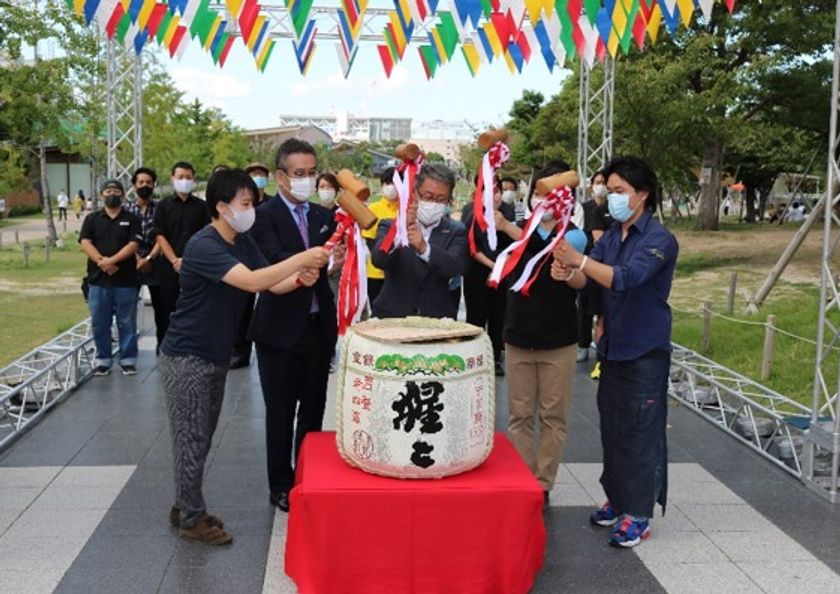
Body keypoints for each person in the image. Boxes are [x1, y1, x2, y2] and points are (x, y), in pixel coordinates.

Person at [160, 168, 329, 545]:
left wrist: (300, 278)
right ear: (221, 207)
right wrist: (303, 256)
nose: (251, 209)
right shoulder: (206, 245)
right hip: (187, 355)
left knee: (200, 436)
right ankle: (191, 517)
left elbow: (270, 282)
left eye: (251, 202)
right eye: (246, 203)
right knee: (192, 437)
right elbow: (252, 282)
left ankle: (184, 503)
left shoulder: (240, 240)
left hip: (215, 353)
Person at [552, 156, 678, 548]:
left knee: (641, 432)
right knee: (614, 429)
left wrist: (582, 261)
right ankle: (618, 498)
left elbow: (625, 279)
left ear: (642, 195)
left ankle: (638, 513)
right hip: (614, 349)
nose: (611, 197)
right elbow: (592, 284)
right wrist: (570, 274)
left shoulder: (659, 240)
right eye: (610, 190)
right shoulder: (610, 237)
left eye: (620, 191)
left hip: (645, 350)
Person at [248, 139, 338, 514]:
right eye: (298, 174)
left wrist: (334, 261)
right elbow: (274, 261)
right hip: (279, 330)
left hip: (318, 326)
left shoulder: (322, 216)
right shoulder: (263, 216)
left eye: (311, 173)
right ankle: (281, 484)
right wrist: (311, 260)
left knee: (314, 410)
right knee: (281, 411)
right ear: (281, 176)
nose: (307, 180)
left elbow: (331, 262)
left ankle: (307, 473)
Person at [502, 161, 585, 507]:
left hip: (559, 340)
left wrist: (568, 271)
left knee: (553, 415)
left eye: (549, 192)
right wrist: (506, 226)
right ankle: (523, 477)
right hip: (518, 337)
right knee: (520, 414)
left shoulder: (574, 235)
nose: (542, 199)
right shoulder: (520, 233)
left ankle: (543, 482)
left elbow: (582, 281)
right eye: (538, 192)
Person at [372, 163, 468, 319]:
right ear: (415, 193)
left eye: (441, 199)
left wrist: (424, 248)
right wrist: (399, 230)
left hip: (436, 318)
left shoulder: (456, 231)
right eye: (428, 197)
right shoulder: (390, 225)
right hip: (392, 316)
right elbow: (379, 260)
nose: (433, 203)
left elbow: (455, 267)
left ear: (450, 200)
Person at [78, 179, 142, 376]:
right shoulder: (92, 219)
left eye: (116, 190)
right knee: (100, 322)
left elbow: (133, 245)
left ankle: (128, 360)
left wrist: (112, 260)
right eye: (107, 190)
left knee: (127, 322)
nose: (111, 193)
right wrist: (102, 262)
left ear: (123, 195)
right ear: (101, 195)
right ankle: (103, 360)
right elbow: (85, 243)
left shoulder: (132, 219)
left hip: (126, 280)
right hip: (98, 280)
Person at [153, 161, 210, 347]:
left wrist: (189, 260)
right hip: (169, 266)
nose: (185, 181)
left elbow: (206, 235)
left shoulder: (203, 207)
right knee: (166, 308)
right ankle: (165, 346)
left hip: (196, 266)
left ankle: (192, 346)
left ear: (194, 179)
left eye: (188, 177)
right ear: (172, 179)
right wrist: (175, 260)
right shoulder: (162, 205)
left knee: (195, 308)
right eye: (181, 177)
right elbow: (160, 235)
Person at [462, 175, 515, 376]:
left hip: (504, 273)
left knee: (498, 316)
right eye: (489, 191)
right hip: (478, 271)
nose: (495, 196)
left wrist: (502, 267)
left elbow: (516, 241)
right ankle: (474, 357)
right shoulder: (470, 212)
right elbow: (471, 247)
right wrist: (492, 265)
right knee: (476, 315)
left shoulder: (508, 212)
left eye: (498, 191)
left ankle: (494, 359)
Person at [229, 162, 276, 369]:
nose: (258, 178)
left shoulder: (273, 205)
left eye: (261, 174)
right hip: (243, 265)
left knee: (270, 306)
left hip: (268, 263)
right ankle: (240, 353)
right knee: (241, 311)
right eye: (253, 174)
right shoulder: (238, 206)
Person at [126, 167, 164, 351]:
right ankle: (128, 350)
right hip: (130, 262)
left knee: (161, 307)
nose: (145, 186)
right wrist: (136, 258)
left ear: (154, 185)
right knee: (128, 309)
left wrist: (149, 257)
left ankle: (163, 345)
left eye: (148, 182)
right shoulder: (125, 209)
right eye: (141, 182)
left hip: (155, 262)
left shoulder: (161, 208)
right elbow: (123, 237)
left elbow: (162, 236)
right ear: (134, 185)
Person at [362, 167, 399, 305]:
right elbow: (370, 240)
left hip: (399, 274)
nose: (391, 187)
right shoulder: (373, 208)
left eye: (394, 183)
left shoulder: (407, 209)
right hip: (375, 273)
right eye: (387, 183)